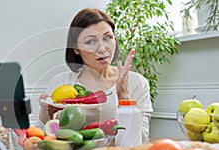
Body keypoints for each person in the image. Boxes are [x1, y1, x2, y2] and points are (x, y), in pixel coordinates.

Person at [37, 8, 153, 141]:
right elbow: (42, 136)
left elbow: (142, 138)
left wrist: (123, 97)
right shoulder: (60, 82)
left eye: (108, 38)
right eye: (90, 41)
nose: (102, 49)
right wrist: (45, 111)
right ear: (75, 48)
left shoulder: (137, 82)